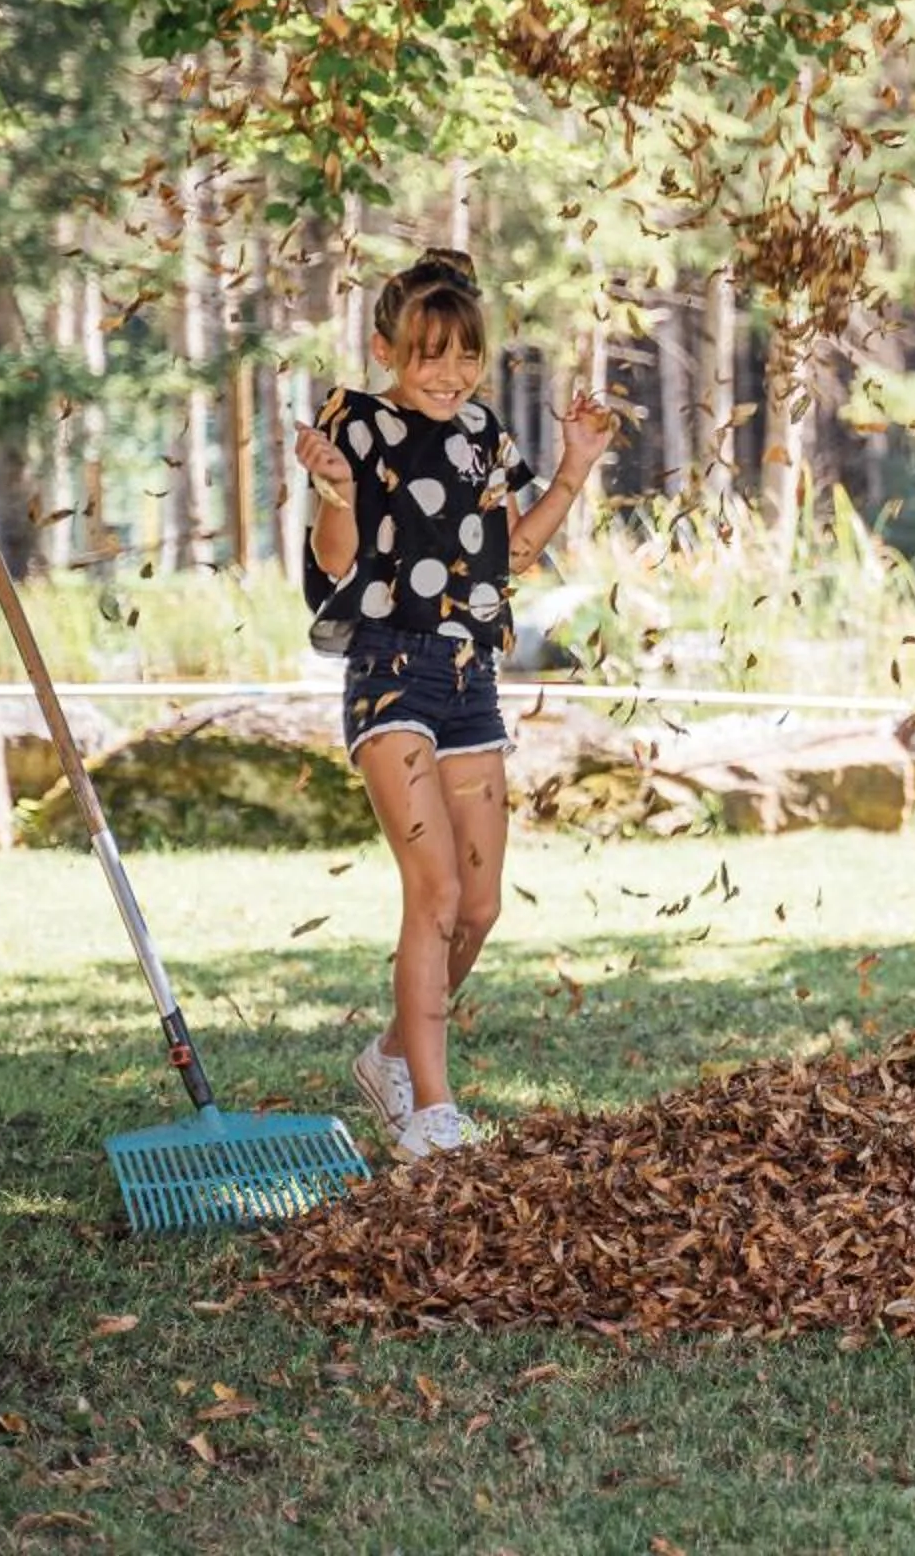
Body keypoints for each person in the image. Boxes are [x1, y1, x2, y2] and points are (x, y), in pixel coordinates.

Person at [292, 248, 610, 1161]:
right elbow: (339, 557)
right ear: (387, 348)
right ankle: (432, 1114)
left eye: (464, 354)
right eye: (428, 354)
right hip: (391, 671)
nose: (448, 373)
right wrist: (334, 489)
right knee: (431, 892)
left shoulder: (481, 432)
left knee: (478, 907)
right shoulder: (354, 422)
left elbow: (507, 556)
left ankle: (392, 1055)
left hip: (474, 679)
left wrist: (573, 470)